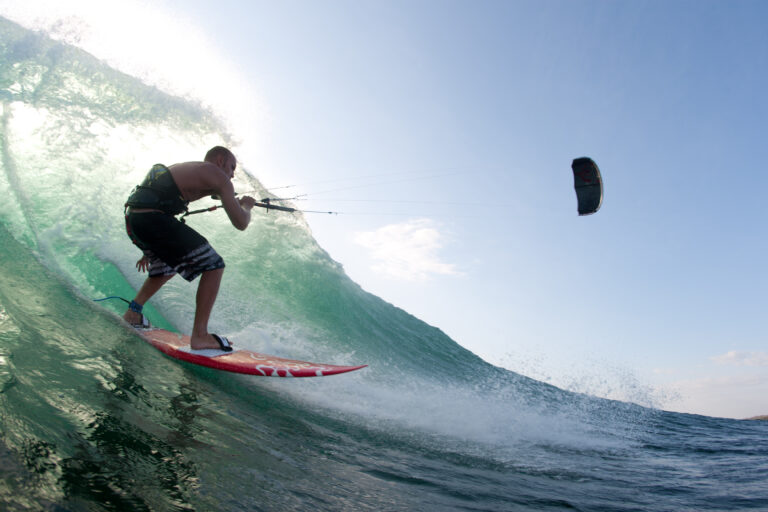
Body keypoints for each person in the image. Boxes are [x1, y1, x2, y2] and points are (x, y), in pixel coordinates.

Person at [123, 146, 256, 351]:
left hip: (136, 219)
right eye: (232, 167)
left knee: (166, 268)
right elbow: (241, 222)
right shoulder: (219, 177)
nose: (232, 174)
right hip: (153, 219)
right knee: (214, 265)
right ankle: (200, 336)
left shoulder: (195, 171)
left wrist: (147, 248)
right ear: (220, 160)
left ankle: (134, 311)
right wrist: (246, 206)